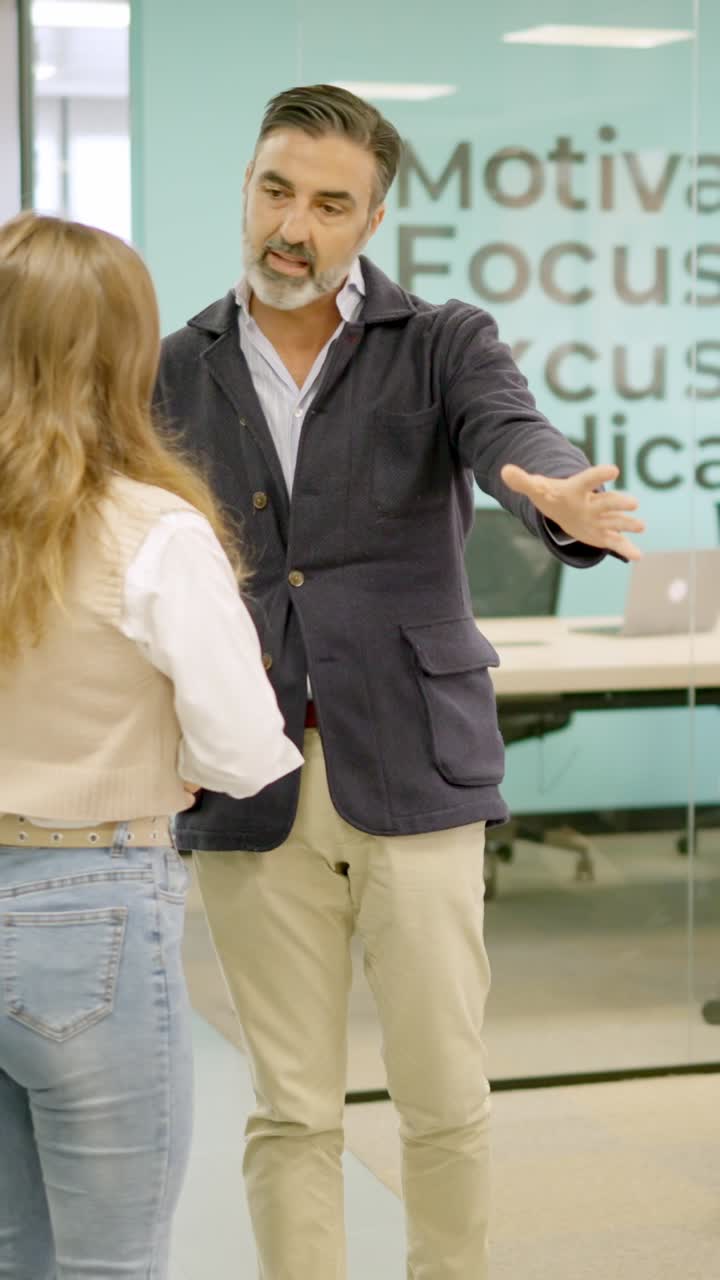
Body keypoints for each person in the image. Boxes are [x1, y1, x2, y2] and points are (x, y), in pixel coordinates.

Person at [155, 83, 645, 1280]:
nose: (294, 226)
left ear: (371, 220)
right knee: (292, 1106)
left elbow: (514, 433)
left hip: (415, 761)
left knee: (443, 1091)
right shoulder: (174, 365)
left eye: (330, 204)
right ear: (248, 190)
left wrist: (551, 490)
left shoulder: (441, 343)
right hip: (245, 770)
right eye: (277, 190)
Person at [0, 211, 302, 1280]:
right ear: (123, 354)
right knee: (113, 1257)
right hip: (96, 908)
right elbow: (245, 753)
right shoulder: (152, 532)